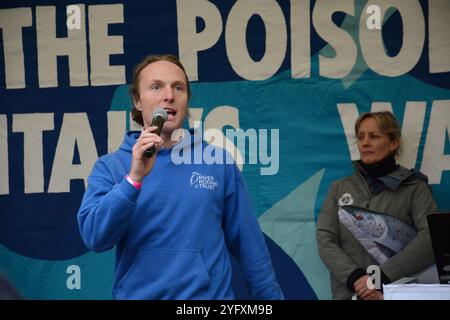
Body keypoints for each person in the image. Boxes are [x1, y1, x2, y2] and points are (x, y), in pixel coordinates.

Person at [77, 54, 283, 300]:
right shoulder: (110, 166)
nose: (169, 95)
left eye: (178, 87)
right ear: (137, 101)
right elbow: (94, 237)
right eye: (156, 87)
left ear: (186, 100)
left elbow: (251, 249)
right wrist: (133, 180)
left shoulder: (217, 162)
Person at [316, 111, 437, 300]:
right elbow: (325, 239)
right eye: (361, 137)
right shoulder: (339, 188)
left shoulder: (415, 188)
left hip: (396, 293)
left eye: (374, 136)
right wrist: (355, 278)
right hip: (350, 293)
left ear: (393, 143)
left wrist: (380, 278)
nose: (365, 143)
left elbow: (430, 238)